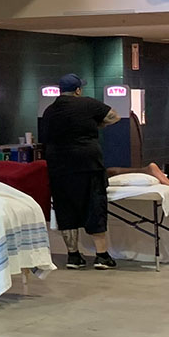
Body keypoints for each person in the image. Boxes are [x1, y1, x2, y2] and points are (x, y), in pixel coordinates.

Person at [41, 73, 121, 270]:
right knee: (94, 205)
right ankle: (101, 256)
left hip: (58, 166)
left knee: (65, 209)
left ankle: (73, 256)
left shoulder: (49, 111)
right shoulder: (88, 103)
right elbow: (114, 116)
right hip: (88, 163)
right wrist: (96, 125)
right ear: (78, 90)